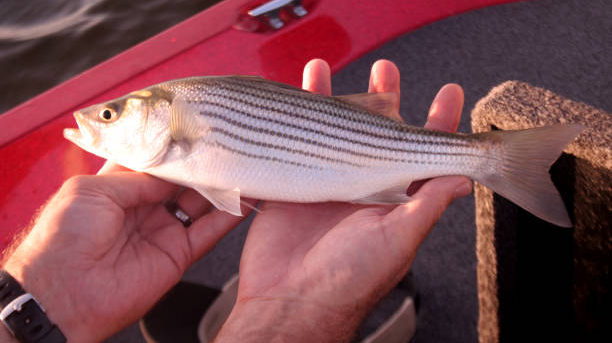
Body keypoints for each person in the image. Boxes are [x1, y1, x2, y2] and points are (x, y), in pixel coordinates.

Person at [0, 59, 471, 343]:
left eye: (108, 115)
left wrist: (41, 300)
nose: (95, 121)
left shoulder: (180, 126)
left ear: (165, 119)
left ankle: (487, 158)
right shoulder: (173, 142)